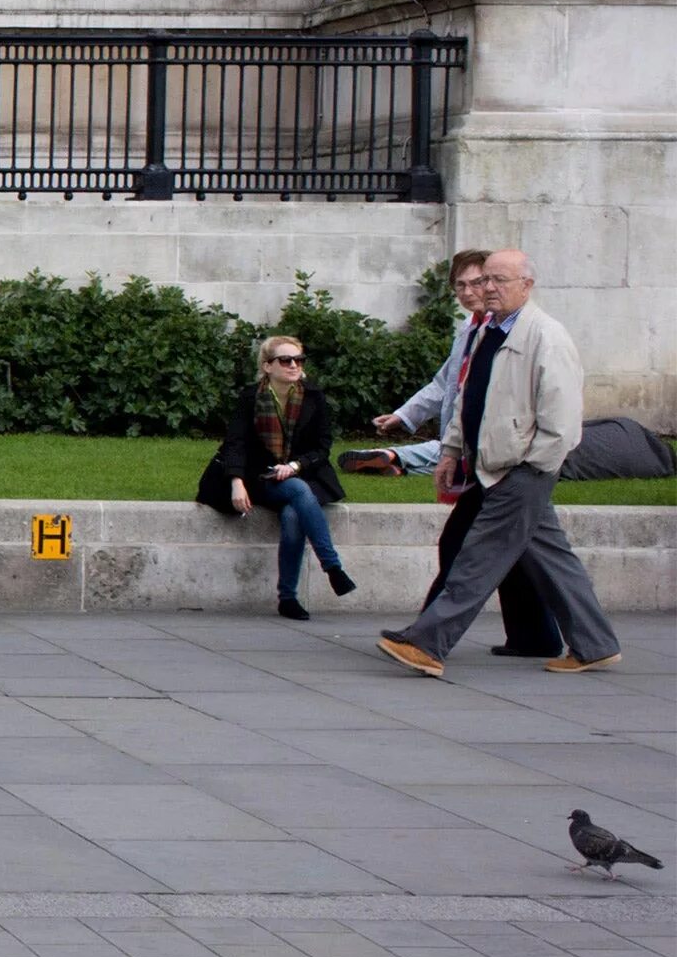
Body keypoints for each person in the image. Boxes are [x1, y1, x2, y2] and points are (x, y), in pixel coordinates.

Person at [376, 251, 623, 677]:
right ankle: (595, 644)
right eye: (486, 279)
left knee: (478, 558)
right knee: (553, 560)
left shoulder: (546, 336)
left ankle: (427, 643)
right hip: (494, 464)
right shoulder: (486, 331)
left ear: (527, 284)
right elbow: (469, 398)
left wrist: (531, 466)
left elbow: (562, 421)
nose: (488, 288)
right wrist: (452, 450)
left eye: (499, 280)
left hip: (520, 469)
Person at [208, 335, 357, 620]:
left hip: (299, 474)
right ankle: (332, 567)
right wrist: (236, 481)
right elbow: (235, 442)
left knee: (293, 513)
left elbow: (322, 447)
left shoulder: (313, 396)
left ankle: (288, 598)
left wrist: (296, 465)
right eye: (285, 360)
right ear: (267, 366)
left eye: (298, 360)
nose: (293, 366)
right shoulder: (251, 397)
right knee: (299, 491)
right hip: (258, 478)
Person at [341, 248, 492, 476]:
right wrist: (403, 415)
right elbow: (444, 384)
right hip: (460, 431)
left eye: (476, 283)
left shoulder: (504, 329)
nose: (467, 292)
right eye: (460, 285)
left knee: (456, 457)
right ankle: (396, 465)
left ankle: (392, 455)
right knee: (453, 460)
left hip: (489, 432)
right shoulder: (467, 328)